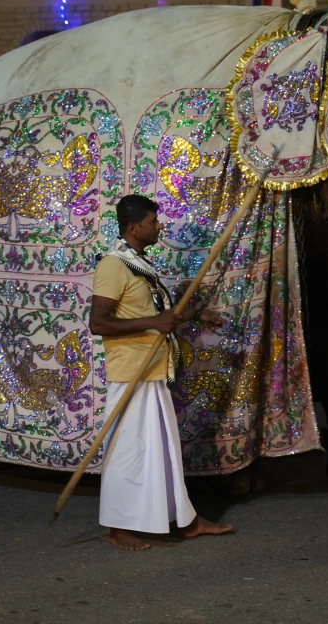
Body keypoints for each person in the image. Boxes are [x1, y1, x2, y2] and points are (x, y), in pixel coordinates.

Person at [89, 194, 233, 551]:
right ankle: (119, 527)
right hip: (130, 373)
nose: (159, 227)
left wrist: (195, 315)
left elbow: (160, 314)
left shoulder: (140, 263)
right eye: (153, 222)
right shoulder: (113, 265)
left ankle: (185, 521)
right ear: (134, 227)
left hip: (153, 370)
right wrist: (154, 322)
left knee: (161, 451)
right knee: (127, 451)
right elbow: (98, 323)